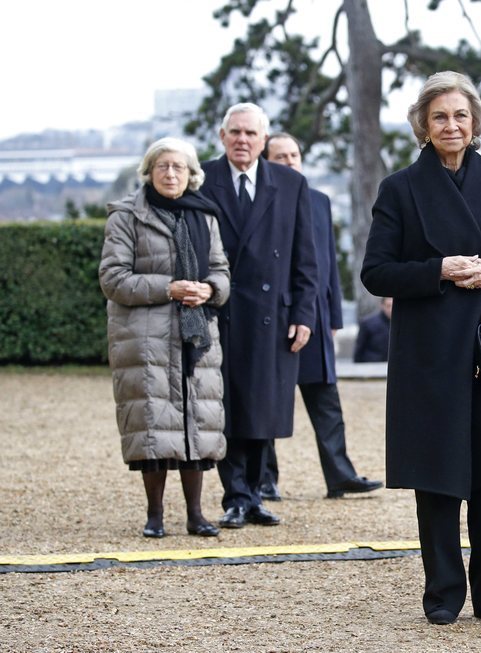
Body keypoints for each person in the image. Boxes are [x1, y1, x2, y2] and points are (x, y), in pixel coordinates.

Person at [362, 71, 481, 626]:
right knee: (437, 477)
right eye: (440, 117)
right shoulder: (400, 189)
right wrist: (437, 270)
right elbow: (375, 272)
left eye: (461, 115)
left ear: (476, 122)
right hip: (429, 353)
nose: (452, 125)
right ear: (423, 125)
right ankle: (442, 593)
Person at [99, 137, 231, 538]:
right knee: (153, 429)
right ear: (149, 172)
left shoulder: (205, 216)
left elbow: (221, 270)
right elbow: (114, 279)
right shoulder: (125, 217)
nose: (171, 174)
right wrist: (170, 287)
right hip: (145, 341)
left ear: (191, 175)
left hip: (196, 339)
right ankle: (154, 516)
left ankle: (196, 515)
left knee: (195, 425)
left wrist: (210, 290)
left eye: (178, 167)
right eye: (163, 167)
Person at [200, 103, 318, 529]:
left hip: (274, 313)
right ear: (222, 135)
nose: (242, 140)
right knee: (227, 406)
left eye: (251, 133)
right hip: (222, 311)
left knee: (263, 408)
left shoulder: (290, 183)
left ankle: (255, 492)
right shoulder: (203, 180)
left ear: (264, 139)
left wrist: (305, 312)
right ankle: (235, 496)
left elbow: (306, 258)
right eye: (235, 132)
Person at [258, 132, 383, 500]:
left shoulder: (318, 201)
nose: (290, 162)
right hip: (274, 320)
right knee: (267, 402)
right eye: (280, 157)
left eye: (294, 155)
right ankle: (265, 479)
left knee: (327, 402)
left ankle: (340, 475)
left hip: (314, 319)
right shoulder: (260, 203)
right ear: (265, 162)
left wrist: (332, 320)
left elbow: (325, 263)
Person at [352, 296, 392, 363]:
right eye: (388, 306)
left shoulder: (403, 323)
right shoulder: (367, 323)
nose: (391, 309)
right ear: (382, 306)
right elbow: (359, 348)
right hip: (372, 364)